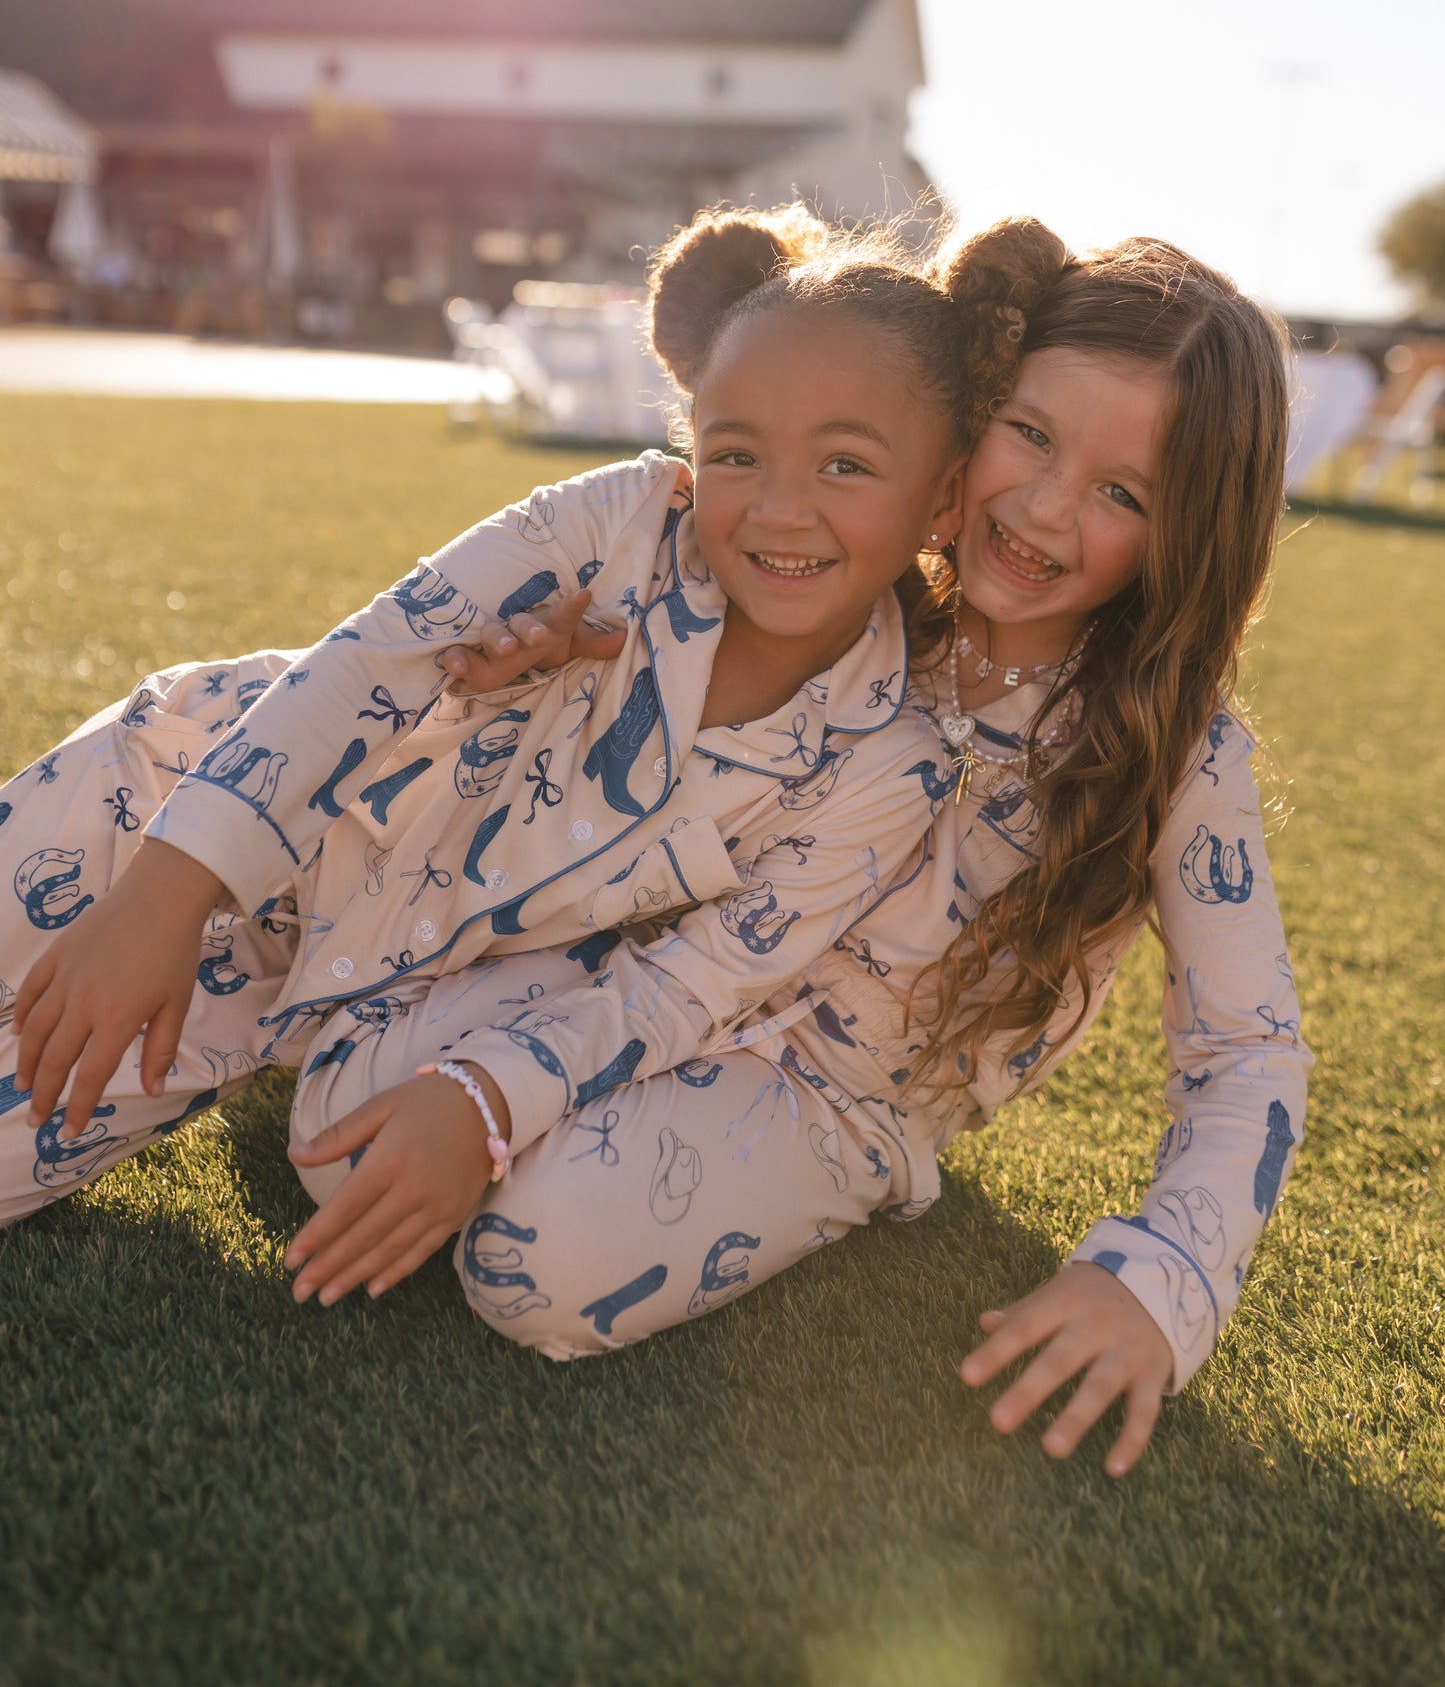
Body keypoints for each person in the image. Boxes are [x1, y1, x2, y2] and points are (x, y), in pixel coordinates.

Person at [393, 218, 1308, 1477]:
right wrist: (544, 654)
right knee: (363, 1087)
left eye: (1120, 492)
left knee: (528, 1258)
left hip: (830, 1101)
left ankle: (798, 1182)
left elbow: (1247, 1048)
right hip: (642, 976)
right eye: (1029, 434)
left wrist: (1159, 1280)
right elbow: (654, 654)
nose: (1041, 508)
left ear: (1186, 531)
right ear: (969, 402)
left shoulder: (1177, 751)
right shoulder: (860, 586)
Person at [0, 204, 991, 1263]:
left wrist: (483, 1100)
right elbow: (365, 659)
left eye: (844, 464)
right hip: (177, 795)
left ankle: (264, 1037)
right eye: (736, 452)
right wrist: (164, 887)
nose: (779, 509)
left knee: (118, 1137)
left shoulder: (890, 763)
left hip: (347, 982)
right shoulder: (620, 520)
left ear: (941, 499)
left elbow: (686, 987)